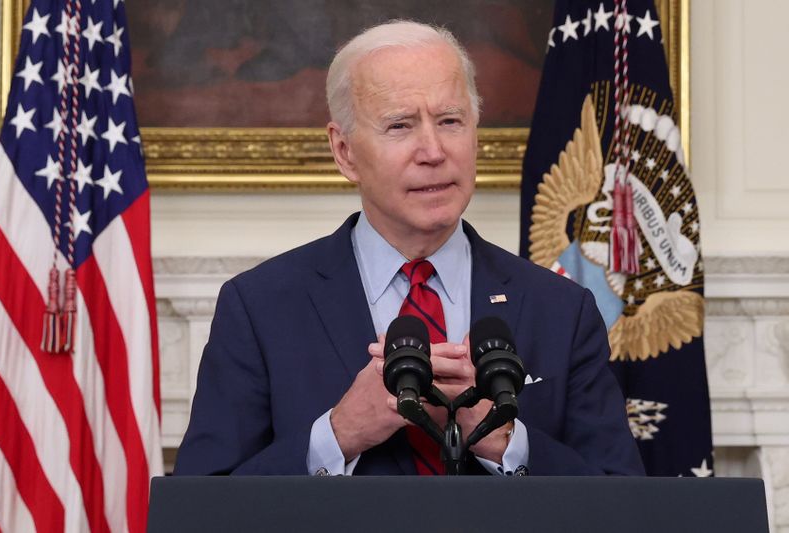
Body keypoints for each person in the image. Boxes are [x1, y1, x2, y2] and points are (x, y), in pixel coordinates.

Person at [173, 21, 644, 476]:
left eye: (450, 120)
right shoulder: (260, 307)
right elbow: (199, 508)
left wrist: (500, 440)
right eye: (400, 126)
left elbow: (625, 507)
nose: (433, 150)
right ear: (345, 152)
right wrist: (338, 435)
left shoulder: (562, 308)